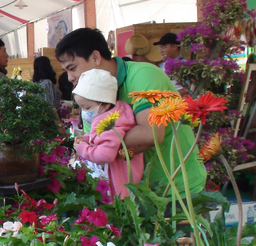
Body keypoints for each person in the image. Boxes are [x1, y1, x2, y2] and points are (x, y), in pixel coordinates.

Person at [56, 28, 206, 193]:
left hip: (176, 188)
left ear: (95, 57)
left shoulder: (144, 75)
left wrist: (102, 146)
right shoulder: (89, 94)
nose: (70, 78)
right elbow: (93, 142)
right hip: (134, 194)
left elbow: (150, 134)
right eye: (66, 71)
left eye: (73, 68)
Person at [72, 69, 144, 199]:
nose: (84, 112)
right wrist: (87, 138)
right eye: (81, 107)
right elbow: (104, 138)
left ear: (105, 104)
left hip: (119, 190)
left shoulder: (110, 123)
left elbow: (105, 154)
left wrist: (83, 149)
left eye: (87, 108)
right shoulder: (115, 114)